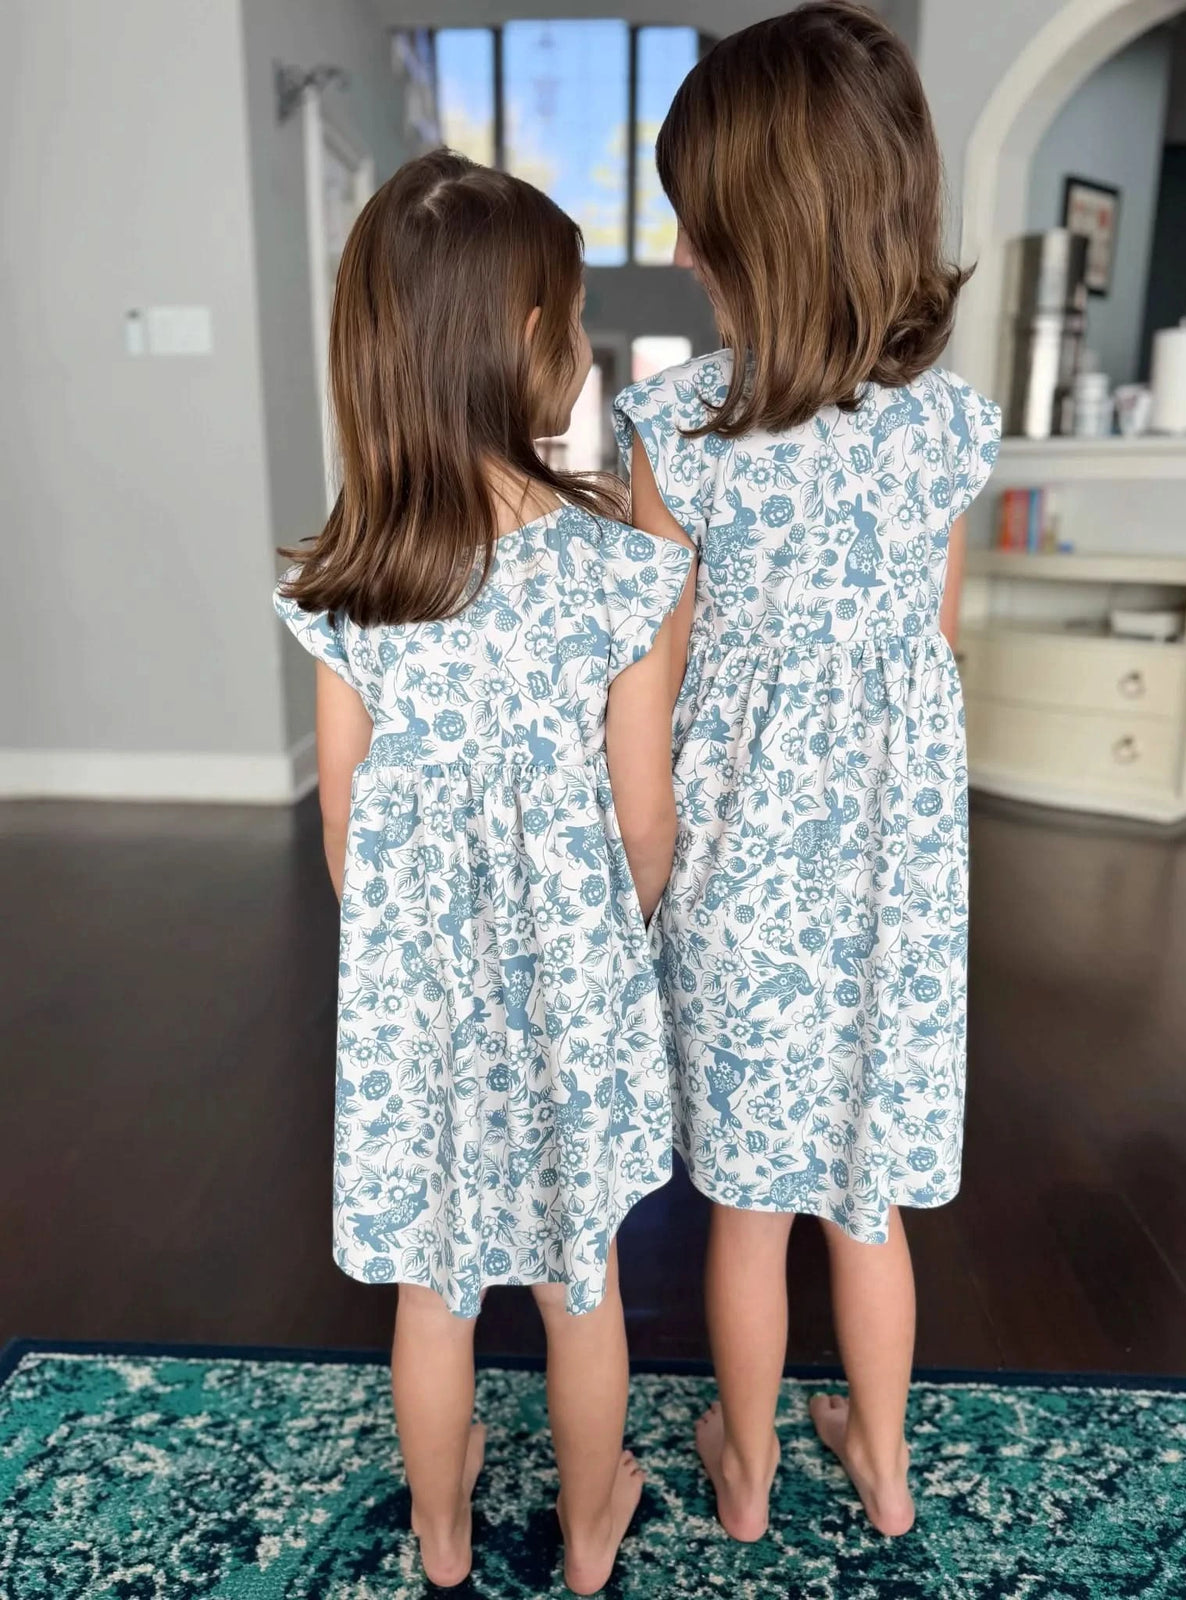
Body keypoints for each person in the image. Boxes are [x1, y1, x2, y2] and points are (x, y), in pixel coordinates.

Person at [275, 150, 693, 1593]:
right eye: (572, 321)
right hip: (571, 983)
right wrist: (597, 930)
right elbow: (646, 818)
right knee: (581, 1283)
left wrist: (413, 955)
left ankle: (442, 1541)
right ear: (529, 343)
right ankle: (590, 1534)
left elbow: (344, 821)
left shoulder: (354, 570)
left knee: (434, 1289)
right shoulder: (616, 565)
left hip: (418, 998)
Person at [612, 1, 1000, 1546]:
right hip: (893, 894)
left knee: (748, 1212)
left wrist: (635, 875)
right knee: (870, 1201)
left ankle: (753, 1468)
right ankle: (888, 1470)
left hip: (738, 894)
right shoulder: (949, 435)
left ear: (751, 243)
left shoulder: (680, 429)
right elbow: (937, 651)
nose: (689, 253)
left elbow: (645, 692)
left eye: (701, 228)